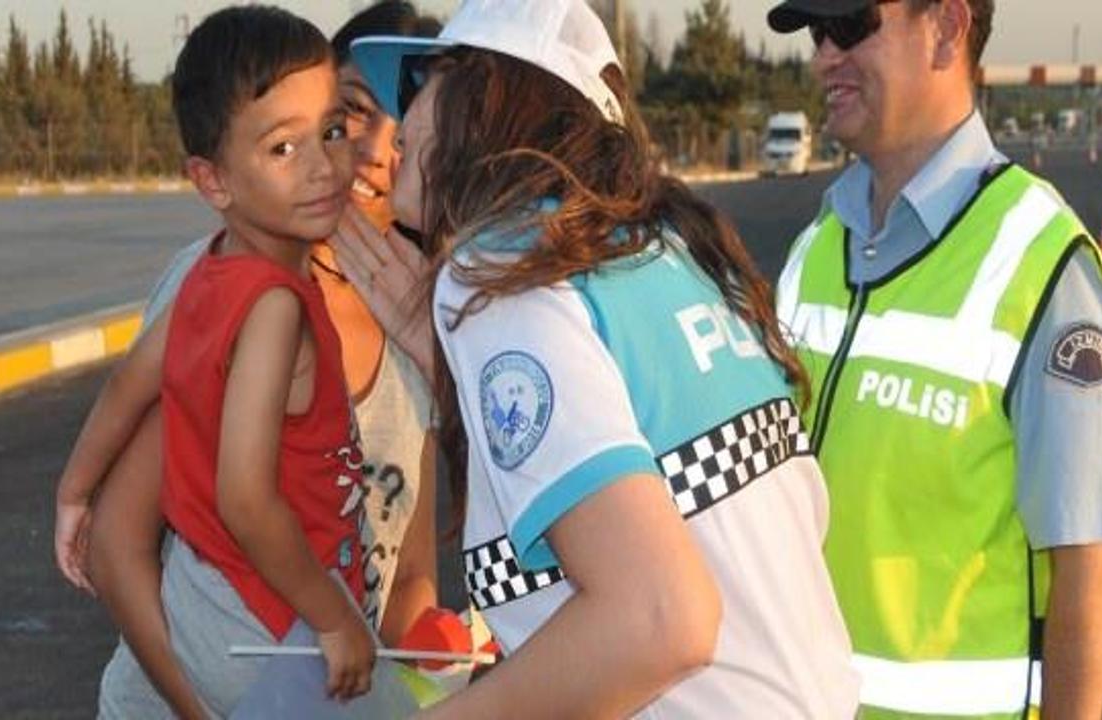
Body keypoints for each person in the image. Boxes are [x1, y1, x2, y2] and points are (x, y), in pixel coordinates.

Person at [349, 0, 859, 716]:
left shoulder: (505, 273)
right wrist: (456, 365)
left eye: (419, 83)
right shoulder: (662, 251)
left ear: (486, 98)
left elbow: (660, 617)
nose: (398, 121)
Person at [767, 0, 1102, 716]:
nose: (823, 57)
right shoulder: (816, 248)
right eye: (817, 33)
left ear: (946, 28)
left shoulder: (1044, 267)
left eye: (851, 26)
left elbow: (1086, 573)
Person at [53, 6, 378, 716]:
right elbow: (244, 498)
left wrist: (73, 493)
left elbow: (127, 384)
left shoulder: (208, 275)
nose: (323, 165)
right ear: (213, 182)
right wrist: (334, 619)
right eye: (282, 148)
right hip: (270, 631)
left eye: (332, 130)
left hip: (203, 611)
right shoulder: (275, 308)